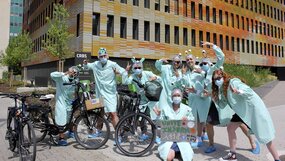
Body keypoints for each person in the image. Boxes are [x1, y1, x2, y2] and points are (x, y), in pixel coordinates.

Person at [211, 69, 280, 161]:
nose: (217, 80)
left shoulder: (233, 82)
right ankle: (232, 155)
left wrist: (238, 91)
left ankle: (277, 159)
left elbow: (248, 91)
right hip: (241, 112)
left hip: (251, 109)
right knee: (230, 128)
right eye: (215, 79)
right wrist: (213, 98)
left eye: (219, 78)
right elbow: (222, 105)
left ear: (224, 76)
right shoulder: (222, 90)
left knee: (265, 135)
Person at [83, 47, 128, 141]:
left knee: (113, 113)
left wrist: (119, 73)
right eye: (100, 56)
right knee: (100, 113)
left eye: (104, 55)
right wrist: (85, 63)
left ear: (107, 56)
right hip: (100, 93)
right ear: (98, 57)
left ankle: (118, 135)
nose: (102, 57)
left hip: (110, 94)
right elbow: (87, 66)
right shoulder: (96, 64)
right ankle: (98, 130)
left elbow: (123, 71)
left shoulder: (113, 64)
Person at [122, 57, 161, 141]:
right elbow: (125, 82)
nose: (137, 69)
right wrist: (126, 71)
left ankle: (157, 136)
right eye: (135, 68)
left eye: (139, 67)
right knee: (142, 118)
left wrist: (155, 78)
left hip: (151, 98)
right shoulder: (132, 76)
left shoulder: (147, 73)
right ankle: (144, 133)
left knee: (154, 117)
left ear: (142, 68)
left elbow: (160, 79)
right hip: (141, 100)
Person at [154, 88, 194, 161]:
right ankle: (173, 152)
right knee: (169, 158)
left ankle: (180, 152)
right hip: (169, 139)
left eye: (178, 95)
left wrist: (188, 121)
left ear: (181, 97)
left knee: (188, 158)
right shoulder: (165, 109)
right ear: (171, 97)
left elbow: (192, 126)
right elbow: (159, 126)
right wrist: (158, 116)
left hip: (182, 139)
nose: (176, 97)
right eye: (174, 95)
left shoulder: (187, 109)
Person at [50, 66, 79, 146]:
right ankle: (61, 138)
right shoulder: (61, 78)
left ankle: (71, 132)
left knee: (70, 118)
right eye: (72, 72)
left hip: (70, 102)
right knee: (61, 120)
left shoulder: (75, 80)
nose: (73, 74)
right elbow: (52, 74)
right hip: (61, 102)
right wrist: (64, 73)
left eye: (75, 73)